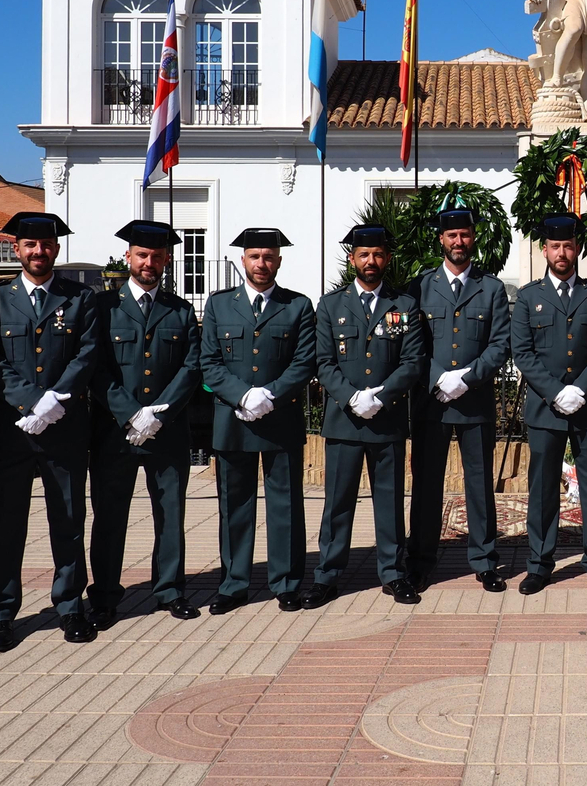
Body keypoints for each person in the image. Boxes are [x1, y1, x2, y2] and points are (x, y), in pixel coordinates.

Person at [0, 212, 102, 648]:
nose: (39, 251)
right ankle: (1, 614)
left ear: (56, 248)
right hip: (10, 429)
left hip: (64, 428)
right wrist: (30, 400)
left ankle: (70, 607)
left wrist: (56, 400)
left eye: (47, 244)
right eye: (30, 245)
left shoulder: (81, 298)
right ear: (16, 249)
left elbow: (87, 353)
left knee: (68, 520)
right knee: (6, 524)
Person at [88, 220, 203, 626]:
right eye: (142, 255)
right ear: (128, 258)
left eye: (157, 256)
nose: (149, 262)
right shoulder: (103, 308)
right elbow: (95, 368)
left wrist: (159, 413)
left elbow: (192, 367)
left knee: (170, 513)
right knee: (109, 516)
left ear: (167, 260)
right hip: (114, 433)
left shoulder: (181, 310)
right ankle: (103, 596)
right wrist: (131, 413)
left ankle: (169, 590)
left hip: (166, 433)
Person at [198, 228, 318, 614]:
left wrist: (270, 394)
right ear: (243, 260)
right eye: (254, 257)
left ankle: (286, 582)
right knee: (235, 504)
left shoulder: (298, 306)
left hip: (279, 419)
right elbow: (210, 361)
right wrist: (243, 395)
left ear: (279, 261)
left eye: (268, 257)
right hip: (233, 420)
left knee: (285, 504)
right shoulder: (219, 306)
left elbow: (304, 362)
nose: (261, 264)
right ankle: (234, 584)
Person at [306, 224, 426, 608]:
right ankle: (327, 575)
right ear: (351, 259)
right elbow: (323, 362)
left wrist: (383, 396)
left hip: (386, 419)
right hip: (345, 420)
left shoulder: (404, 306)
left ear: (386, 259)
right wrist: (350, 397)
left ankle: (393, 573)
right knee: (338, 502)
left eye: (377, 255)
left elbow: (413, 361)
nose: (370, 261)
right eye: (363, 255)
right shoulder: (330, 306)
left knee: (389, 501)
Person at [509, 215, 587, 595]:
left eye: (568, 246)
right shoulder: (528, 297)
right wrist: (556, 391)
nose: (562, 252)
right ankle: (540, 564)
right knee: (542, 488)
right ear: (545, 250)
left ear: (578, 249)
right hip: (545, 408)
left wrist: (582, 389)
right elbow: (522, 352)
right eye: (555, 246)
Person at [409, 206, 511, 593]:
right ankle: (419, 560)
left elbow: (500, 343)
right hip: (431, 402)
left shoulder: (492, 288)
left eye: (464, 235)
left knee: (479, 484)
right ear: (441, 240)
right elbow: (412, 345)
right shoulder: (420, 287)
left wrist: (466, 378)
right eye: (451, 235)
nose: (458, 241)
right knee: (427, 484)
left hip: (474, 401)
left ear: (473, 238)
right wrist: (438, 378)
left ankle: (485, 561)